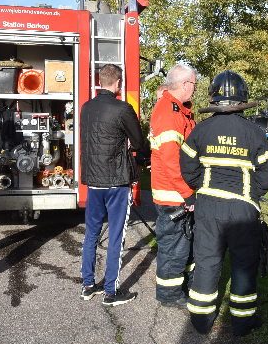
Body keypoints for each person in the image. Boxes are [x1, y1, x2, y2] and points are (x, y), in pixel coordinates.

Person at [180, 70, 268, 336]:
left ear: (214, 98)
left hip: (208, 207)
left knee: (207, 259)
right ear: (242, 100)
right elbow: (266, 173)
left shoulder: (201, 130)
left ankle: (201, 319)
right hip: (243, 210)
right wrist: (251, 195)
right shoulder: (254, 132)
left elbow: (187, 166)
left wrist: (202, 188)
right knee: (244, 263)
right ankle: (242, 322)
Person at [80, 64, 146, 307]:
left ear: (100, 82)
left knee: (92, 233)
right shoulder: (122, 109)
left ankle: (87, 285)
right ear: (118, 82)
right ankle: (110, 291)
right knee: (116, 236)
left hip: (94, 181)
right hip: (117, 181)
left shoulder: (86, 108)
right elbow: (138, 141)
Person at [149, 64, 198, 308]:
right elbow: (171, 161)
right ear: (185, 84)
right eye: (194, 85)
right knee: (174, 246)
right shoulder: (170, 113)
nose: (195, 90)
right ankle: (169, 294)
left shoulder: (177, 110)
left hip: (175, 192)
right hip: (173, 194)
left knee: (183, 243)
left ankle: (183, 285)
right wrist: (188, 194)